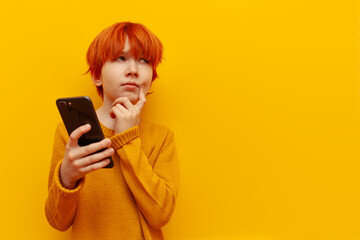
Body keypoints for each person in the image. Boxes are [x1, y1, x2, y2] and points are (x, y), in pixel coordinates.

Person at [45, 22, 180, 240]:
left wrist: (127, 139)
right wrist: (67, 178)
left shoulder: (162, 137)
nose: (133, 70)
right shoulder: (72, 134)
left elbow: (160, 214)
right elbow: (57, 221)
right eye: (121, 58)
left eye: (144, 60)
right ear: (97, 75)